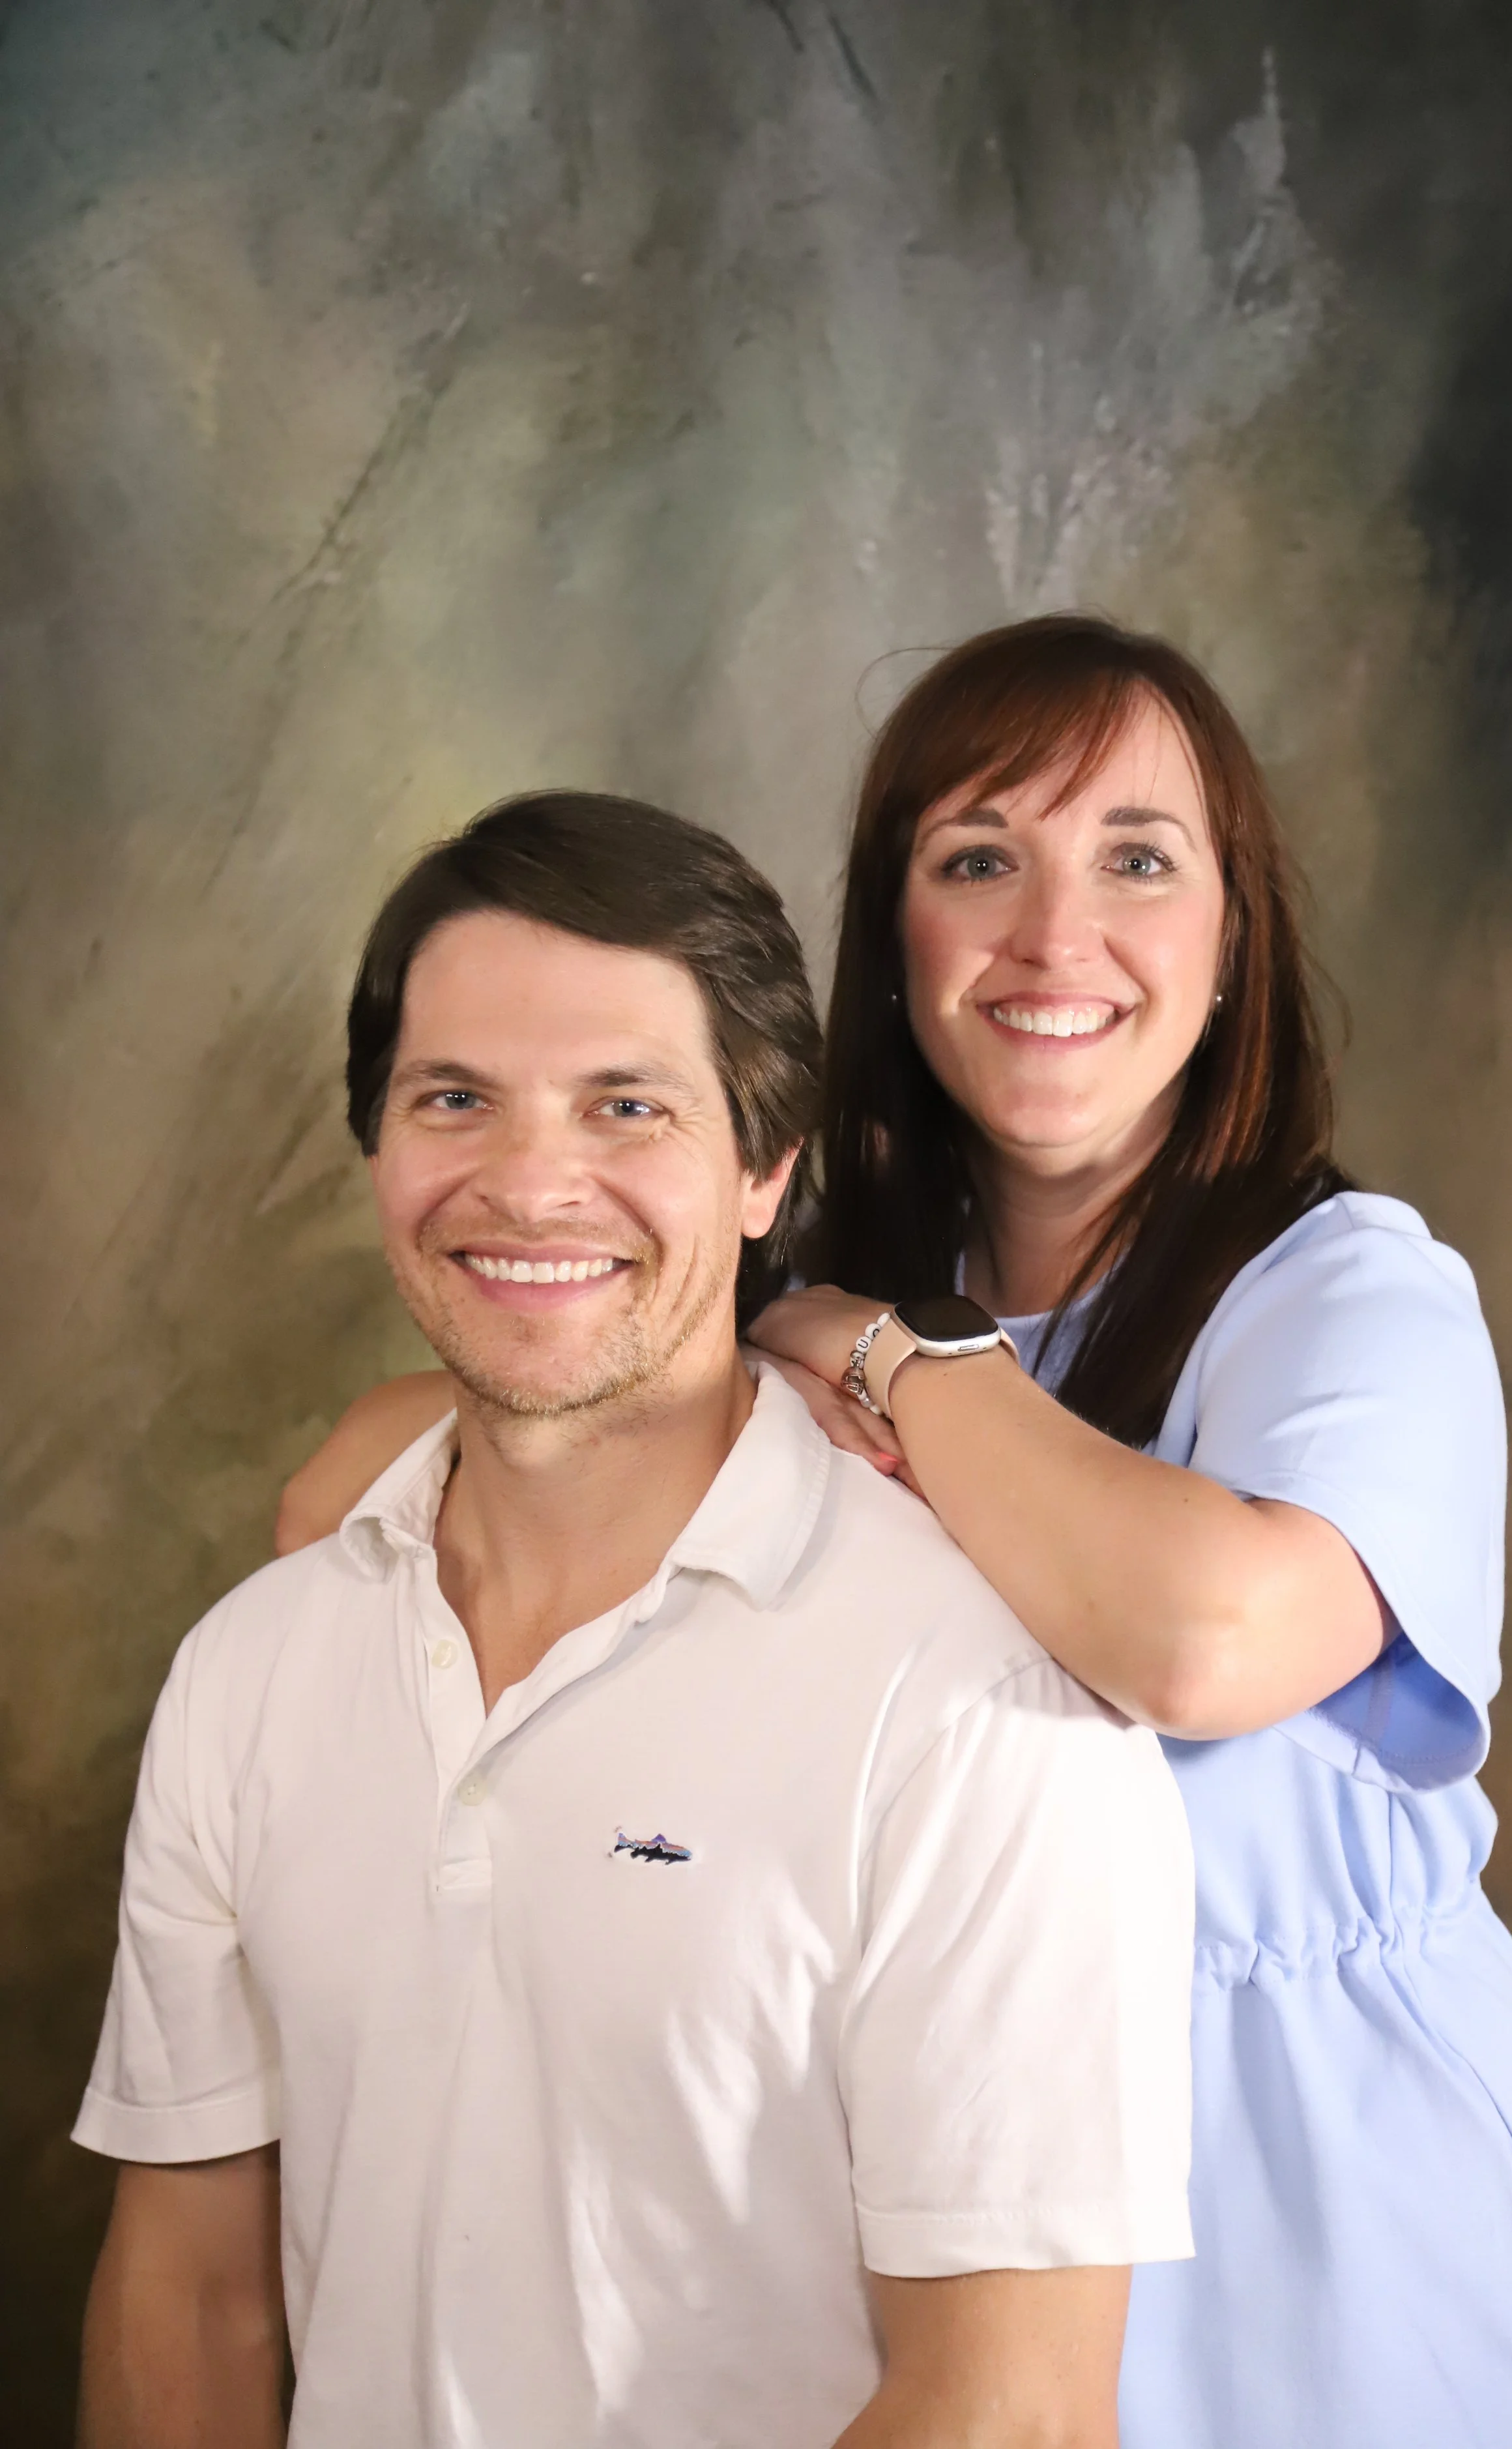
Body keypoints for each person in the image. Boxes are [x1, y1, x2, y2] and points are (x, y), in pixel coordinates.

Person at [284, 620, 1512, 2449]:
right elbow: (332, 1501)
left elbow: (1204, 1643)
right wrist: (745, 1325)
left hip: (1303, 2173)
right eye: (979, 859)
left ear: (1232, 943)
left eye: (1137, 859)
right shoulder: (809, 1319)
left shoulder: (1350, 1295)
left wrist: (877, 1351)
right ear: (893, 944)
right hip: (936, 2197)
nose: (1056, 936)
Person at [74, 789, 1197, 2449]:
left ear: (764, 1172)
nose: (532, 1185)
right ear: (379, 1147)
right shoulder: (251, 1670)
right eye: (455, 1097)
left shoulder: (978, 1708)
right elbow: (190, 2300)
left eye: (625, 1108)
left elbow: (1003, 2415)